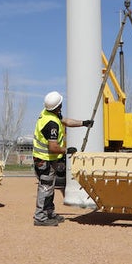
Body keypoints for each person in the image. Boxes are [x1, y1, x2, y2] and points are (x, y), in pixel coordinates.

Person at [32, 91, 93, 227]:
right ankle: (40, 217)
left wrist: (83, 123)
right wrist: (67, 150)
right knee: (45, 188)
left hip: (44, 159)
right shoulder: (51, 124)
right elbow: (53, 147)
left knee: (49, 187)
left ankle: (49, 213)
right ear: (59, 105)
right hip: (44, 160)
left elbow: (66, 121)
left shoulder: (48, 113)